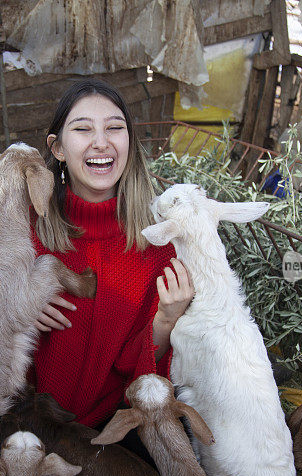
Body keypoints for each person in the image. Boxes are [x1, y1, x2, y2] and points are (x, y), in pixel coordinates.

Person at [28, 79, 194, 429]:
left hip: (115, 425)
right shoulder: (28, 226)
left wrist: (167, 317)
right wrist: (18, 302)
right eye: (83, 129)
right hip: (31, 416)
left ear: (129, 143)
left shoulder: (157, 243)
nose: (101, 142)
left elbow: (141, 366)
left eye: (115, 128)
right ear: (58, 148)